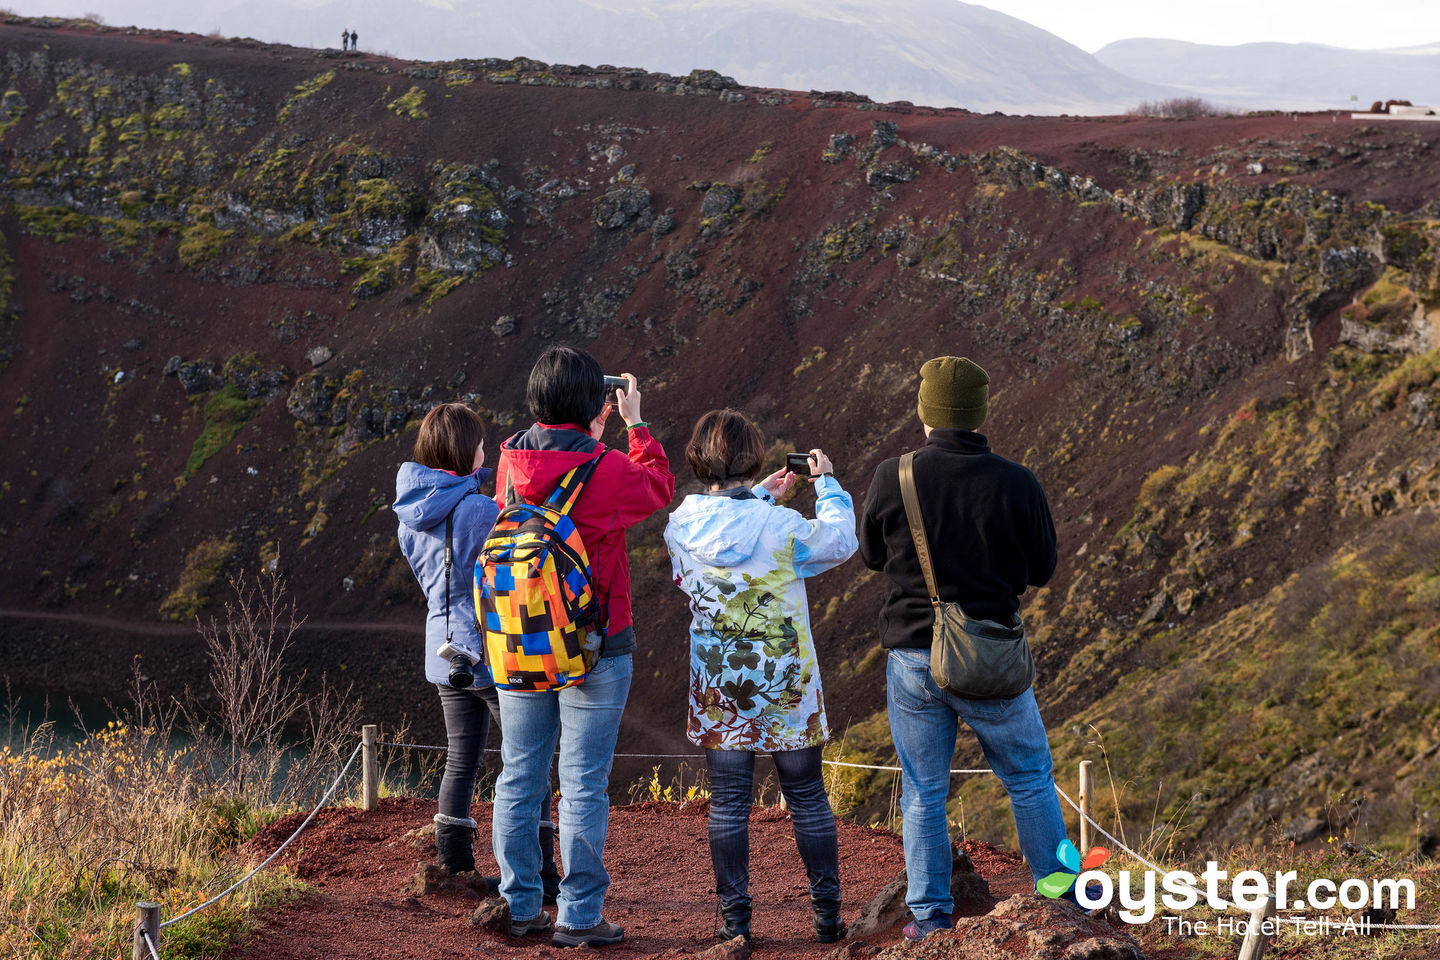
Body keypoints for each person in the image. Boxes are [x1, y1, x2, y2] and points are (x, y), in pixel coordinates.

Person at [858, 357, 1066, 941]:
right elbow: (1043, 569)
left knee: (924, 789)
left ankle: (929, 916)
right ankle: (1059, 897)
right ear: (979, 413)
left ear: (926, 412)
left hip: (913, 657)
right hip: (991, 655)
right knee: (1028, 778)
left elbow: (874, 557)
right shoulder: (1016, 481)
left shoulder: (891, 477)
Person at [489, 346, 674, 947]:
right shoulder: (609, 466)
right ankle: (579, 915)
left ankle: (518, 906)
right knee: (583, 781)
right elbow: (659, 489)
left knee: (520, 775)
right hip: (596, 646)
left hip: (518, 641)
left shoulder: (509, 462)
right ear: (597, 403)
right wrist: (635, 423)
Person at [664, 410, 857, 945]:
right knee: (807, 796)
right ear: (754, 457)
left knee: (728, 801)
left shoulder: (680, 525)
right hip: (784, 682)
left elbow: (714, 550)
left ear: (701, 461)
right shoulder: (780, 528)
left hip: (719, 683)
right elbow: (840, 542)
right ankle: (826, 915)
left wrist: (761, 499)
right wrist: (829, 485)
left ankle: (736, 922)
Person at [393, 403, 559, 895]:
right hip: (489, 650)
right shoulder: (481, 511)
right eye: (481, 444)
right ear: (466, 451)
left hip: (440, 649)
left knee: (461, 757)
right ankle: (541, 874)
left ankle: (455, 868)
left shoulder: (408, 517)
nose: (485, 451)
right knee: (527, 760)